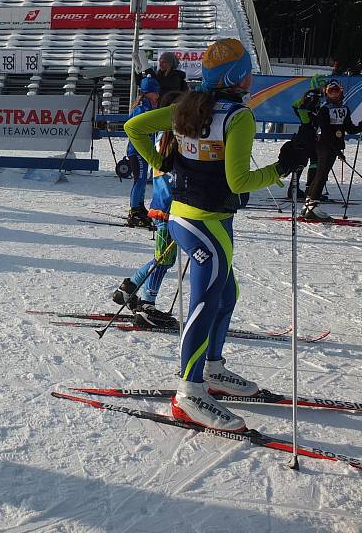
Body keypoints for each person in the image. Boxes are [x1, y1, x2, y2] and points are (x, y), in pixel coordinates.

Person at [124, 38, 307, 431]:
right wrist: (283, 167)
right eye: (249, 70)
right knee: (205, 303)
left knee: (226, 295)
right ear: (239, 77)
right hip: (206, 222)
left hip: (189, 217)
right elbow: (238, 180)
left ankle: (213, 369)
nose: (253, 76)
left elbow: (133, 127)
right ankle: (188, 393)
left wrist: (162, 162)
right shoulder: (238, 117)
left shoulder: (186, 106)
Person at [112, 91, 183, 328]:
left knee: (164, 257)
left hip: (163, 205)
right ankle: (147, 303)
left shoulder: (161, 137)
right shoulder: (174, 141)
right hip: (170, 207)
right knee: (163, 258)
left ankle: (129, 288)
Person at [302, 79, 362, 221]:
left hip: (334, 146)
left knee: (320, 174)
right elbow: (327, 131)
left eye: (337, 92)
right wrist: (337, 150)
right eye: (331, 92)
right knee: (321, 175)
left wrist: (360, 126)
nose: (334, 95)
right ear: (326, 93)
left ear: (341, 92)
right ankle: (313, 207)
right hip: (325, 145)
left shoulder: (344, 109)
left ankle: (308, 204)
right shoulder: (324, 109)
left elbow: (349, 128)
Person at [125, 75, 160, 228]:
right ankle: (133, 211)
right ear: (147, 93)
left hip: (144, 150)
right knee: (139, 180)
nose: (158, 95)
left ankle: (139, 206)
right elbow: (134, 129)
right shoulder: (141, 109)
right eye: (155, 92)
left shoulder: (149, 108)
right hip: (137, 150)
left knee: (142, 180)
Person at [289, 74, 325, 200]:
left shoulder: (309, 94)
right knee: (314, 160)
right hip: (308, 133)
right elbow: (303, 110)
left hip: (305, 132)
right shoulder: (314, 96)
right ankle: (310, 190)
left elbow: (295, 105)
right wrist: (309, 121)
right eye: (323, 85)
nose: (324, 88)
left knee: (302, 160)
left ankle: (293, 189)